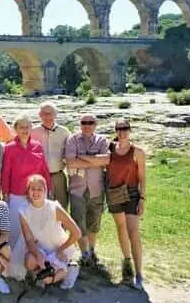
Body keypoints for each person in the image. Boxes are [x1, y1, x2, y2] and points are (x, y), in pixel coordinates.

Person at [1, 115, 50, 279]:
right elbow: (6, 172)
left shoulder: (37, 146)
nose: (24, 130)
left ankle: (34, 264)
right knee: (15, 231)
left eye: (27, 126)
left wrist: (47, 190)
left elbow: (44, 170)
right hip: (17, 195)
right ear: (15, 129)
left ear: (31, 129)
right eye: (21, 127)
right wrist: (5, 193)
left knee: (35, 232)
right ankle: (14, 267)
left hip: (36, 196)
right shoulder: (9, 148)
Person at [65, 114, 110, 270]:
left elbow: (106, 160)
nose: (87, 125)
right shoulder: (72, 140)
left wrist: (82, 157)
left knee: (94, 222)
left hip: (96, 189)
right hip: (77, 189)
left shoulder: (102, 141)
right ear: (80, 124)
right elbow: (70, 162)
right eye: (84, 122)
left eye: (90, 123)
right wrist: (94, 161)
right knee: (78, 222)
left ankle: (91, 250)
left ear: (95, 124)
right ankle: (84, 253)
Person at [19, 175, 81, 289]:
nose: (36, 192)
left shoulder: (54, 208)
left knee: (49, 281)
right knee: (29, 261)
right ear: (28, 191)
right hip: (41, 248)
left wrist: (60, 249)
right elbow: (28, 239)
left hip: (59, 248)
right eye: (32, 189)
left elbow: (77, 233)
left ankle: (69, 269)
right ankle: (45, 272)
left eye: (39, 189)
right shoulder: (23, 211)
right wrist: (38, 255)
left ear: (45, 191)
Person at [106, 120, 146, 291]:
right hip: (115, 193)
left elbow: (142, 177)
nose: (122, 132)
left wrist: (143, 198)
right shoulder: (109, 149)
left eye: (125, 129)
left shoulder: (137, 152)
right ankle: (127, 264)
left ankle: (139, 273)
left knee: (133, 232)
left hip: (131, 194)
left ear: (130, 131)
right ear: (115, 131)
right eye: (119, 129)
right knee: (121, 228)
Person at [31, 101, 71, 210]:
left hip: (58, 175)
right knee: (39, 205)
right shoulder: (33, 132)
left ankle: (61, 227)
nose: (47, 116)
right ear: (40, 115)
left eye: (50, 113)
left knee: (61, 206)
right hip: (38, 176)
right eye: (44, 113)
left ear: (55, 114)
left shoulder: (64, 132)